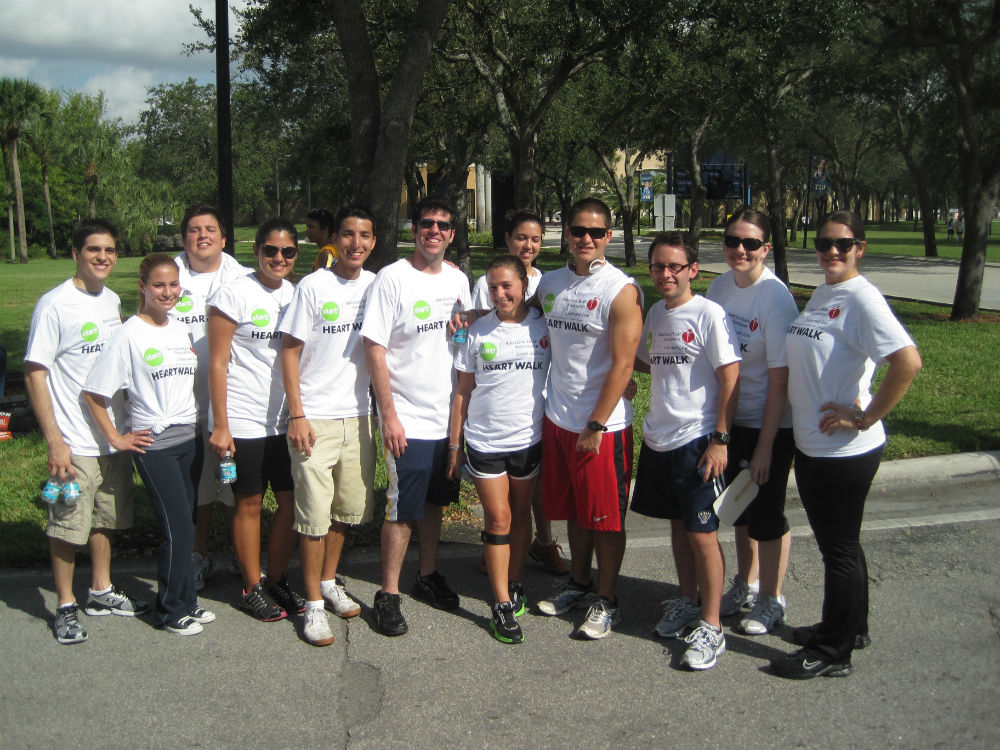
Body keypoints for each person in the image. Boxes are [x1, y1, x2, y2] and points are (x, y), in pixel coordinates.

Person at [771, 210, 921, 679]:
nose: (831, 251)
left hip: (844, 451)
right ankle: (850, 628)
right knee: (843, 546)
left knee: (838, 549)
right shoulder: (826, 292)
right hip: (815, 445)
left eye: (843, 243)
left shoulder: (863, 299)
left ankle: (834, 652)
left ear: (860, 247)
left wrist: (865, 415)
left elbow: (907, 362)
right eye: (823, 243)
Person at [24, 218, 148, 645]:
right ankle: (64, 604)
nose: (103, 257)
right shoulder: (54, 305)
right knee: (66, 526)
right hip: (73, 441)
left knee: (104, 519)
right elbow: (35, 373)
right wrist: (54, 441)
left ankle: (100, 589)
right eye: (94, 250)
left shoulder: (112, 299)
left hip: (111, 435)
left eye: (110, 250)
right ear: (76, 253)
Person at [83, 254, 214, 635]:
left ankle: (187, 600)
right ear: (142, 286)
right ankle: (169, 611)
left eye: (174, 285)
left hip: (189, 437)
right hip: (154, 445)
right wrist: (116, 437)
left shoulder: (177, 328)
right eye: (159, 285)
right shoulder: (128, 334)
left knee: (186, 524)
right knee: (176, 528)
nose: (168, 292)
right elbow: (94, 393)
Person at [532, 197, 643, 640]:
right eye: (578, 230)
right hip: (558, 417)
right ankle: (579, 584)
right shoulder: (550, 284)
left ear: (608, 238)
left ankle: (607, 599)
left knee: (607, 518)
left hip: (602, 426)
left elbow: (622, 364)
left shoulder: (621, 290)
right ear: (566, 233)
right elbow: (524, 318)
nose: (586, 239)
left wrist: (596, 424)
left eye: (596, 233)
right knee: (576, 513)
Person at [361, 196, 471, 637]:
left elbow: (466, 337)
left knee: (433, 503)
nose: (434, 231)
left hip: (447, 418)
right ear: (414, 228)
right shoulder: (392, 278)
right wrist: (389, 415)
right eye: (427, 223)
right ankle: (388, 593)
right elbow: (374, 347)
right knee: (402, 509)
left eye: (443, 225)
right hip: (405, 415)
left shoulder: (460, 279)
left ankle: (427, 575)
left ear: (452, 234)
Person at [630, 231, 740, 670]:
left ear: (693, 269)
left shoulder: (709, 313)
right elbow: (642, 359)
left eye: (675, 266)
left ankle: (711, 626)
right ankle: (686, 600)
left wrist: (720, 438)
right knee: (678, 527)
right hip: (659, 436)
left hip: (698, 440)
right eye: (658, 266)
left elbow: (731, 375)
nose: (666, 274)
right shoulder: (656, 312)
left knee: (702, 533)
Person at [280, 206, 378, 646]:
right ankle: (313, 608)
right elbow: (289, 352)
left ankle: (328, 581)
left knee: (343, 512)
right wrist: (296, 414)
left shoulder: (380, 286)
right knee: (313, 517)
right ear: (335, 239)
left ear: (373, 242)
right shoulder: (313, 286)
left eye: (364, 236)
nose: (356, 244)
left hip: (359, 415)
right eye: (348, 235)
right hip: (314, 418)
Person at [448, 255, 551, 644]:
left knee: (521, 515)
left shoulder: (544, 327)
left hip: (529, 439)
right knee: (498, 519)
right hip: (485, 441)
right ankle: (501, 603)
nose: (500, 293)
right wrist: (454, 444)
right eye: (492, 287)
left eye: (507, 285)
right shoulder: (476, 330)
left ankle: (516, 580)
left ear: (524, 284)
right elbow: (462, 391)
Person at [706, 209, 799, 634]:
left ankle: (771, 598)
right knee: (739, 509)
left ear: (765, 248)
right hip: (732, 419)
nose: (739, 250)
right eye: (731, 241)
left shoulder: (775, 298)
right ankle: (745, 583)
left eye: (750, 244)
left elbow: (780, 380)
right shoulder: (719, 287)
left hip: (771, 422)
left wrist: (765, 446)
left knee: (768, 514)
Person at [208, 216, 303, 622]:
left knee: (289, 502)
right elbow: (216, 361)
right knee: (248, 502)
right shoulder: (233, 294)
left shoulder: (296, 294)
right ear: (256, 252)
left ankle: (277, 577)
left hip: (285, 420)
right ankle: (251, 585)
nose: (278, 258)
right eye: (270, 250)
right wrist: (221, 423)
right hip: (244, 419)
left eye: (287, 252)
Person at [470, 210, 568, 576]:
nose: (528, 245)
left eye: (536, 239)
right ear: (508, 239)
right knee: (506, 497)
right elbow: (483, 318)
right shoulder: (490, 280)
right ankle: (499, 547)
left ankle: (543, 542)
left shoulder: (546, 282)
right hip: (500, 406)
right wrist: (466, 317)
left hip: (540, 402)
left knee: (536, 487)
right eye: (521, 238)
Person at [171, 204, 251, 590]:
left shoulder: (241, 277)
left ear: (223, 238)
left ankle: (241, 552)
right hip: (183, 402)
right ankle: (198, 554)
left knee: (235, 484)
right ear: (184, 239)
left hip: (232, 402)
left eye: (209, 229)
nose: (202, 235)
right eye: (193, 230)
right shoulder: (168, 277)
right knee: (200, 488)